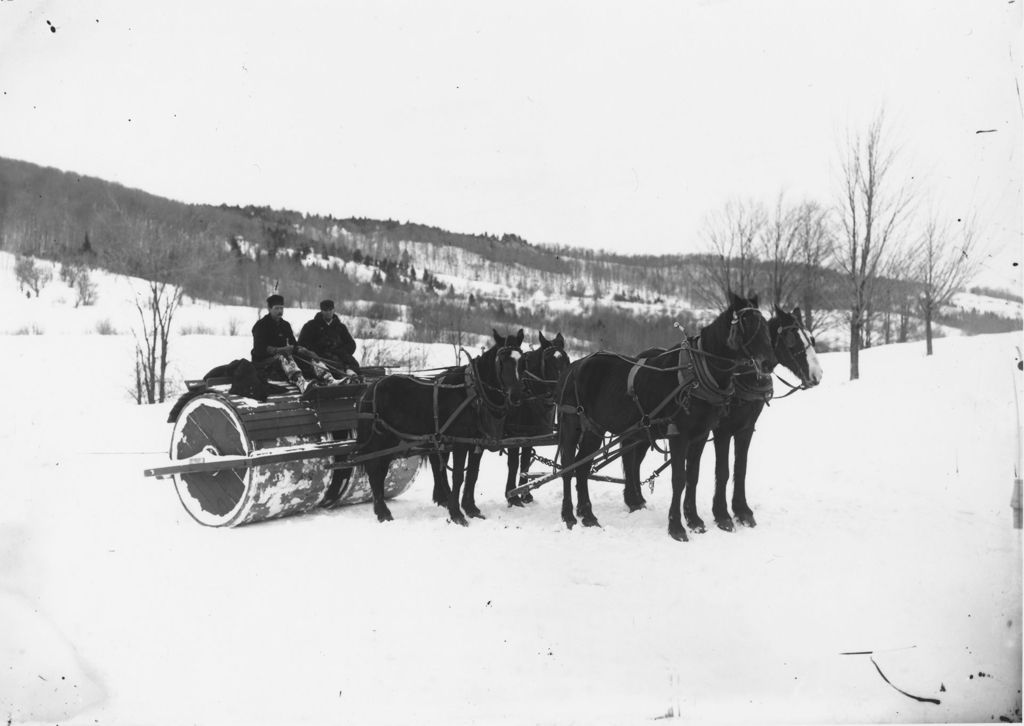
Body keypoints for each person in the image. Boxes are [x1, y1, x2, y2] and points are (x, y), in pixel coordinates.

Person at [251, 294, 339, 393]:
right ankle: (301, 382)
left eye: (281, 308)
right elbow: (259, 349)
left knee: (310, 357)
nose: (280, 311)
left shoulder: (285, 325)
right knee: (283, 356)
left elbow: (294, 344)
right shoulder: (261, 326)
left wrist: (306, 352)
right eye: (276, 308)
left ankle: (328, 378)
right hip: (263, 362)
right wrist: (278, 350)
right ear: (269, 309)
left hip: (281, 359)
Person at [298, 299, 361, 377]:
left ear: (334, 310)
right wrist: (315, 352)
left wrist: (341, 352)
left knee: (353, 365)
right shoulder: (310, 326)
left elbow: (351, 344)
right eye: (325, 310)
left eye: (330, 310)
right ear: (321, 311)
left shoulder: (340, 327)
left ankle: (351, 375)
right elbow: (302, 343)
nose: (328, 312)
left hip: (340, 357)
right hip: (320, 358)